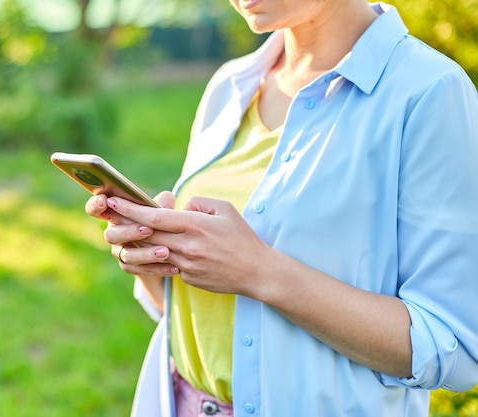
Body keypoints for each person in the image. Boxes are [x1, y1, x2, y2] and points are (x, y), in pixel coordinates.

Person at [85, 0, 478, 415]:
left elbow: (453, 345)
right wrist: (158, 259)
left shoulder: (429, 93)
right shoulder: (230, 85)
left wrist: (259, 271)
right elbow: (207, 317)